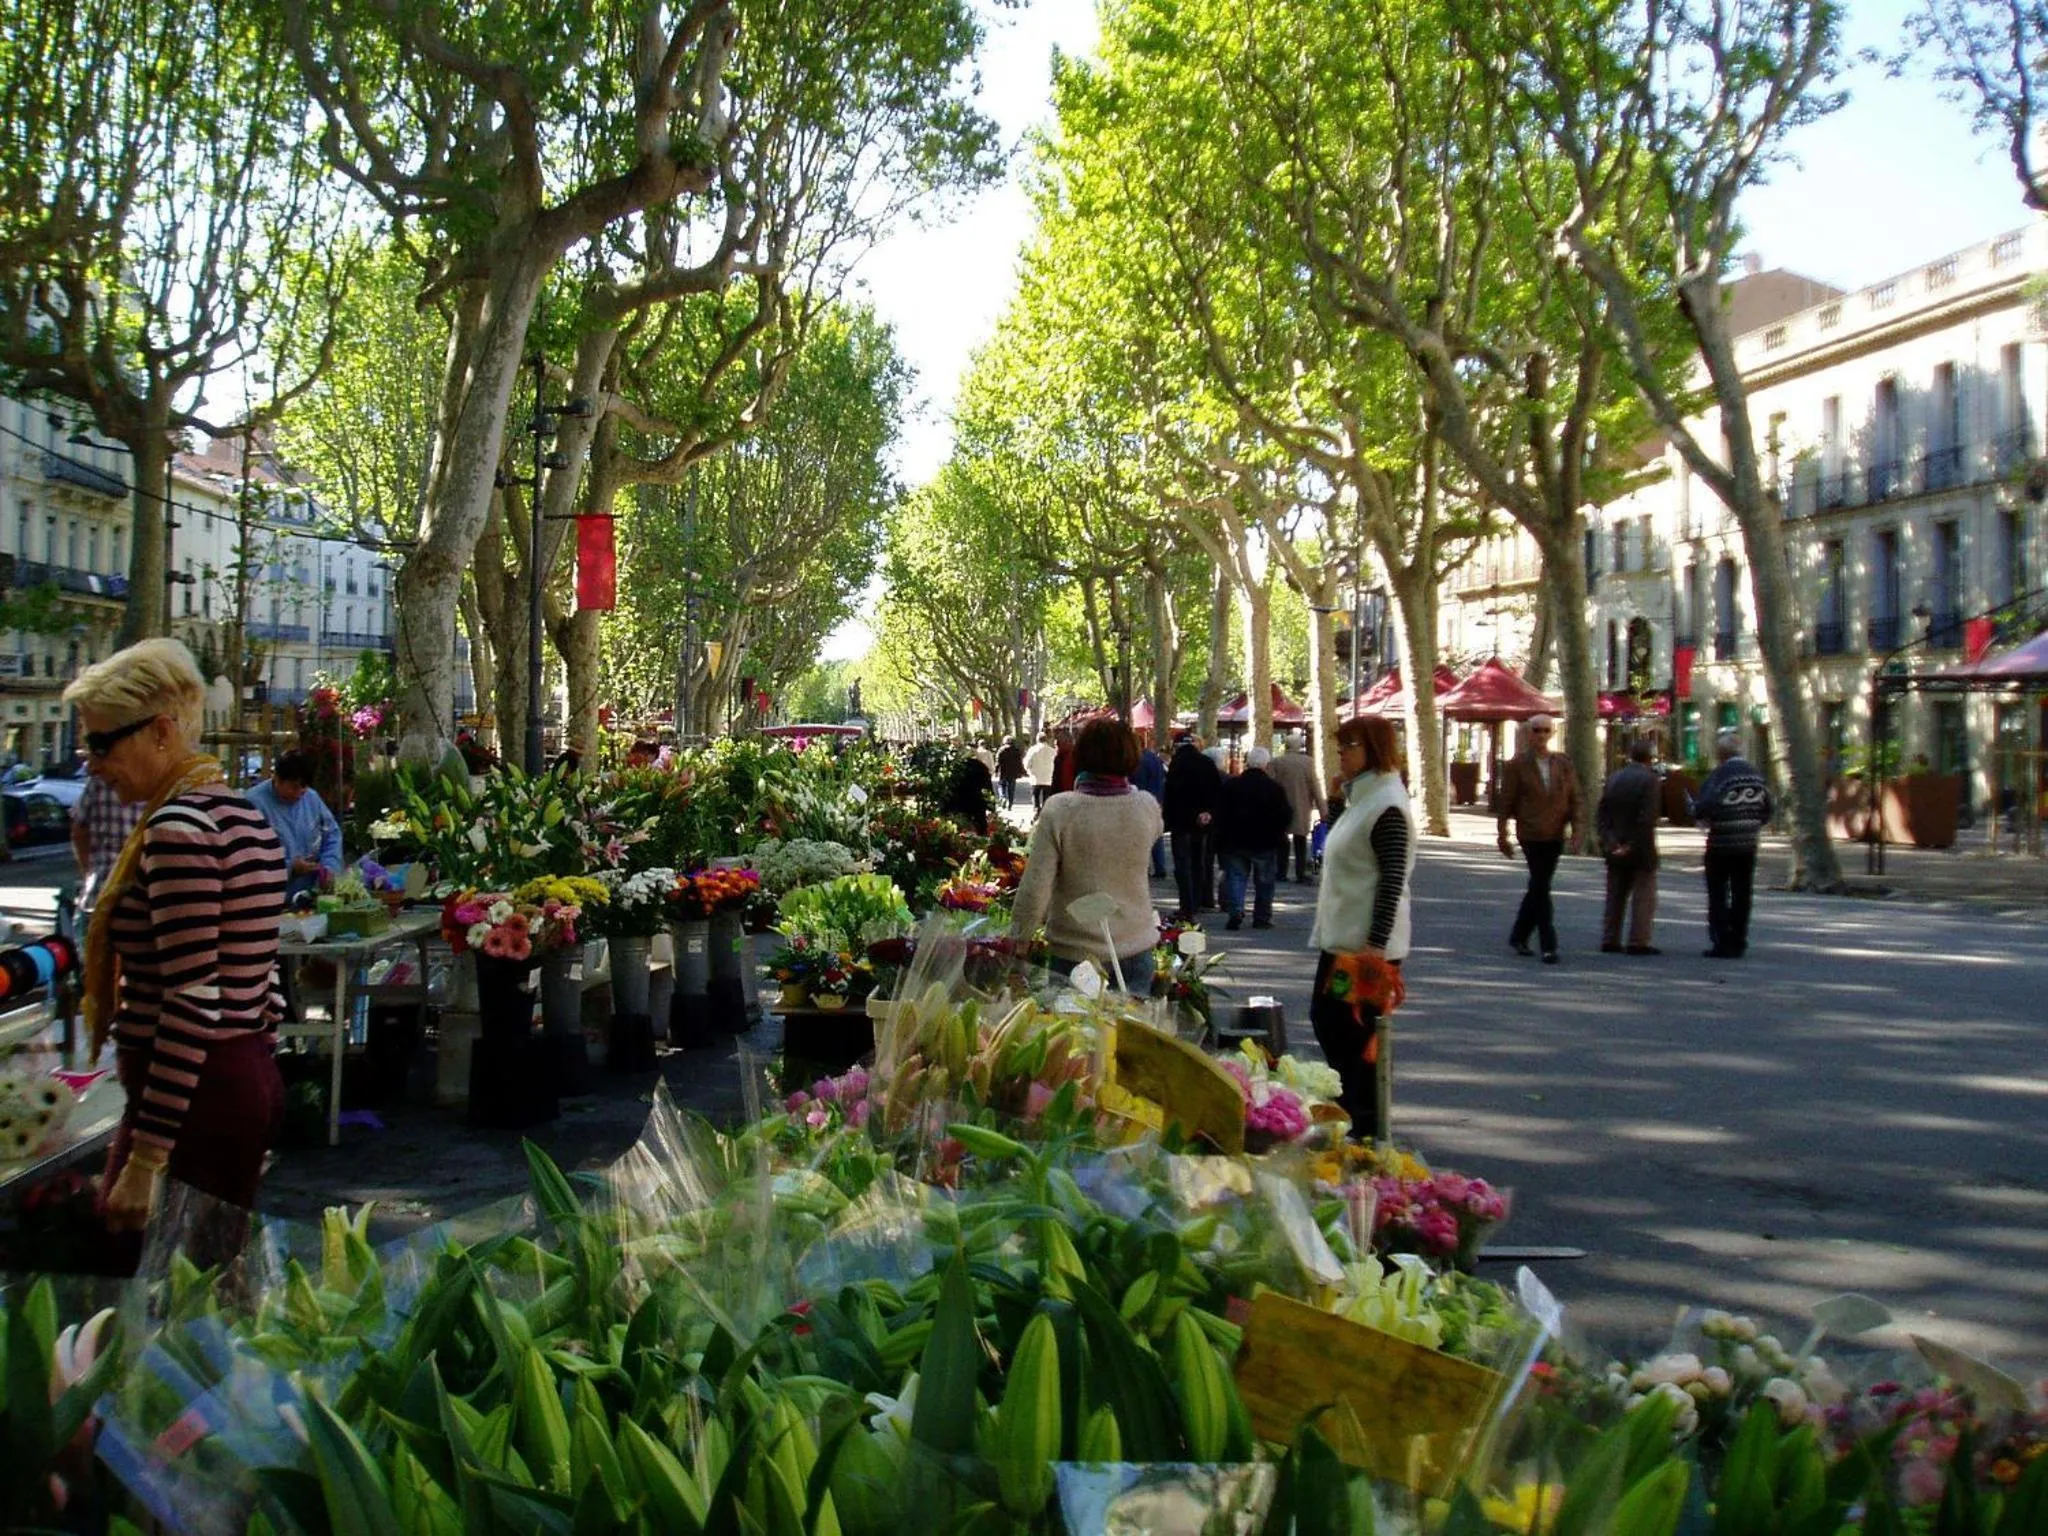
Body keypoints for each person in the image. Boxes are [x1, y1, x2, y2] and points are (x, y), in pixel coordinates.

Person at [62, 639, 288, 1239]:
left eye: (103, 742)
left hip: (196, 1097)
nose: (92, 762)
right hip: (234, 1076)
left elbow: (192, 999)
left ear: (161, 732)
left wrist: (145, 1159)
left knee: (165, 1292)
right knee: (207, 1282)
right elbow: (260, 971)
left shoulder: (176, 831)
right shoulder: (242, 815)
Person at [1309, 716, 1414, 1142]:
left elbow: (1392, 877)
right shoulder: (1364, 799)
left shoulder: (1387, 804)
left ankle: (1366, 1126)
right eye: (1340, 746)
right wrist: (1335, 803)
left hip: (1364, 948)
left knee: (1352, 1035)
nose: (1342, 753)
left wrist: (1377, 942)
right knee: (1334, 1026)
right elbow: (1341, 846)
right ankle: (1354, 1117)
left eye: (1350, 746)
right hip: (1344, 938)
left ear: (1373, 750)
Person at [1009, 718, 1163, 993]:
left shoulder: (1061, 810)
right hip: (1135, 948)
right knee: (1130, 1033)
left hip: (1075, 955)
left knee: (1079, 1034)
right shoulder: (1147, 807)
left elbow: (1036, 886)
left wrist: (1019, 940)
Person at [1495, 714, 1578, 964]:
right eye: (1536, 731)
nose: (1541, 735)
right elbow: (1506, 802)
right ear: (1528, 734)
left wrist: (1578, 831)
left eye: (1545, 731)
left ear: (1552, 734)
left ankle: (1519, 935)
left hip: (1555, 833)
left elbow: (1576, 798)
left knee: (1538, 886)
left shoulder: (1563, 763)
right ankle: (1548, 944)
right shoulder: (1516, 765)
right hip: (1530, 833)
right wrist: (1502, 834)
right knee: (1541, 886)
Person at [1692, 731, 1773, 959]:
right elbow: (1769, 808)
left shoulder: (1719, 775)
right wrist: (1753, 824)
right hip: (1748, 843)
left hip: (1721, 842)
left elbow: (1705, 806)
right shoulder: (1756, 776)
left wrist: (1698, 813)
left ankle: (1721, 940)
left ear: (1720, 755)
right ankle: (1739, 939)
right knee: (1742, 892)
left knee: (1718, 892)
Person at [246, 748, 344, 903]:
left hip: (311, 895)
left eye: (304, 787)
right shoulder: (253, 804)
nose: (300, 793)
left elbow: (332, 834)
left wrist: (329, 867)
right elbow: (249, 857)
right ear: (276, 778)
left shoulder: (311, 798)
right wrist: (290, 867)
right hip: (272, 899)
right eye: (294, 787)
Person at [1214, 746, 1292, 929]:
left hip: (1235, 841)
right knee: (1265, 881)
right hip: (1265, 841)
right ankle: (1262, 917)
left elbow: (1221, 812)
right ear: (1266, 764)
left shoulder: (1232, 786)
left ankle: (1236, 910)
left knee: (1236, 877)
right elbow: (1285, 814)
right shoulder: (1274, 788)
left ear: (1247, 763)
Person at [1596, 739, 1662, 955]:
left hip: (1615, 843)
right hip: (1640, 847)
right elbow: (1647, 817)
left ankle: (1610, 937)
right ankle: (1638, 940)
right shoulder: (1650, 780)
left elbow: (1602, 814)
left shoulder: (1614, 777)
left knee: (1615, 894)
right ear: (1650, 758)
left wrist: (1611, 841)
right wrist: (1632, 844)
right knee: (1643, 895)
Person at [1162, 732, 1224, 921]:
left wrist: (1167, 820)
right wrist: (1208, 812)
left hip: (1181, 823)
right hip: (1202, 821)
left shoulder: (1176, 765)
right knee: (1199, 862)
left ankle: (1186, 904)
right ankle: (1197, 899)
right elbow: (1217, 792)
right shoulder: (1207, 763)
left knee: (1182, 864)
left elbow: (1171, 795)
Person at [71, 769, 142, 926]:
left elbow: (78, 832)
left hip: (99, 888)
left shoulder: (99, 780)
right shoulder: (160, 784)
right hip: (141, 899)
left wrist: (88, 872)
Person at [1267, 738, 1327, 883]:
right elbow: (1316, 787)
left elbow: (1270, 785)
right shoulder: (1308, 763)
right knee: (1300, 840)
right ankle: (1301, 873)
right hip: (1302, 805)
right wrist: (1323, 809)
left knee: (1282, 840)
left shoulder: (1276, 762)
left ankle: (1281, 871)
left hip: (1281, 806)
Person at [1134, 739, 1170, 878]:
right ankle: (1160, 866)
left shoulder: (1139, 761)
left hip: (1142, 800)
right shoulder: (1155, 759)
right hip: (1157, 800)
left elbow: (1138, 782)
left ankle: (1145, 868)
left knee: (1141, 835)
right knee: (1156, 835)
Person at [938, 750, 996, 835]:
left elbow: (947, 786)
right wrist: (991, 806)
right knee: (980, 824)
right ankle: (981, 840)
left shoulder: (955, 767)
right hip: (977, 800)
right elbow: (988, 787)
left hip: (957, 800)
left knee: (958, 827)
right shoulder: (981, 767)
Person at [1025, 733, 1058, 812]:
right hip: (1048, 778)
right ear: (1046, 739)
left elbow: (1027, 763)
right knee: (1046, 797)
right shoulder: (1052, 751)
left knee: (1035, 795)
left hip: (1035, 778)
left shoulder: (1032, 750)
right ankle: (1044, 811)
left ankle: (1036, 810)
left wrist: (1029, 771)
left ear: (1037, 740)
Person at [996, 738, 1027, 809]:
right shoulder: (1016, 750)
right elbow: (1019, 762)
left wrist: (996, 770)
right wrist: (1022, 771)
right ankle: (1010, 803)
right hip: (1013, 772)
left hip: (1003, 771)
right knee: (1011, 788)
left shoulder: (1001, 750)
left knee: (1001, 785)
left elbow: (998, 761)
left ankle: (1003, 797)